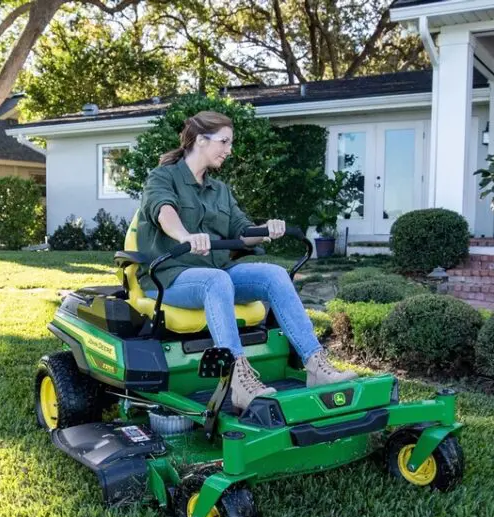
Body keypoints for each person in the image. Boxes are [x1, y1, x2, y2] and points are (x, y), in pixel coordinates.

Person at [136, 110, 356, 411]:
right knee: (217, 281)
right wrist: (186, 236)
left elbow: (242, 231)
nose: (229, 150)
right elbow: (164, 212)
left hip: (217, 274)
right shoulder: (163, 177)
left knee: (274, 275)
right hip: (170, 276)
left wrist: (266, 230)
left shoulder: (220, 191)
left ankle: (316, 365)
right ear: (200, 140)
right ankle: (237, 380)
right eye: (224, 142)